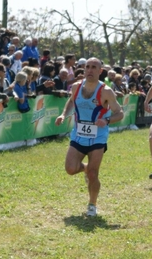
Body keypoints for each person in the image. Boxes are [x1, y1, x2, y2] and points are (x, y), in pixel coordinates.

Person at [55, 57, 124, 217]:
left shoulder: (106, 91)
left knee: (93, 174)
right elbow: (71, 101)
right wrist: (64, 114)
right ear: (84, 69)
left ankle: (92, 204)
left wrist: (106, 120)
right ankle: (85, 168)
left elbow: (119, 113)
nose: (90, 70)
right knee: (70, 169)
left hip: (97, 138)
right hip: (78, 135)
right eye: (87, 67)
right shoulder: (76, 87)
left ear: (100, 71)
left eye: (94, 67)